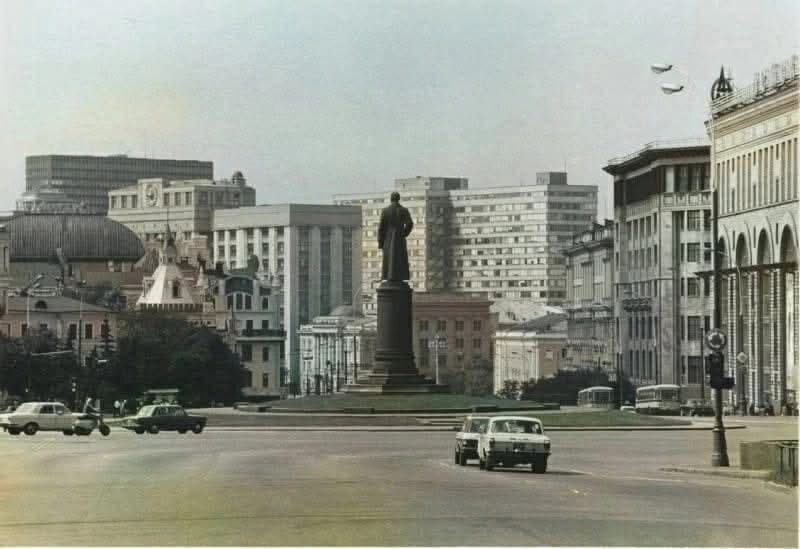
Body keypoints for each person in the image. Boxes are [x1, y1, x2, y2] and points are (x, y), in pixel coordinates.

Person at [377, 192, 414, 282]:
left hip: (388, 239)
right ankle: (399, 276)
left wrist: (380, 242)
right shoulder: (404, 210)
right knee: (399, 259)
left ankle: (389, 276)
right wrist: (404, 233)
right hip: (400, 238)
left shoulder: (385, 211)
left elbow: (381, 228)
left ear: (391, 199)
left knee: (389, 259)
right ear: (398, 199)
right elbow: (410, 223)